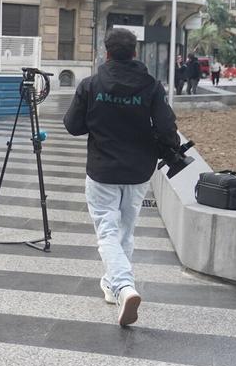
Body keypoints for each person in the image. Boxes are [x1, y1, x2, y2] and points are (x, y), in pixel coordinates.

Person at [63, 28, 179, 327]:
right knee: (126, 230)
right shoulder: (152, 86)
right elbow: (167, 128)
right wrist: (170, 150)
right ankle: (112, 286)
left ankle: (124, 287)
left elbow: (73, 126)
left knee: (107, 231)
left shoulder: (91, 85)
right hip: (139, 171)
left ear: (107, 52)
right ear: (135, 52)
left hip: (103, 170)